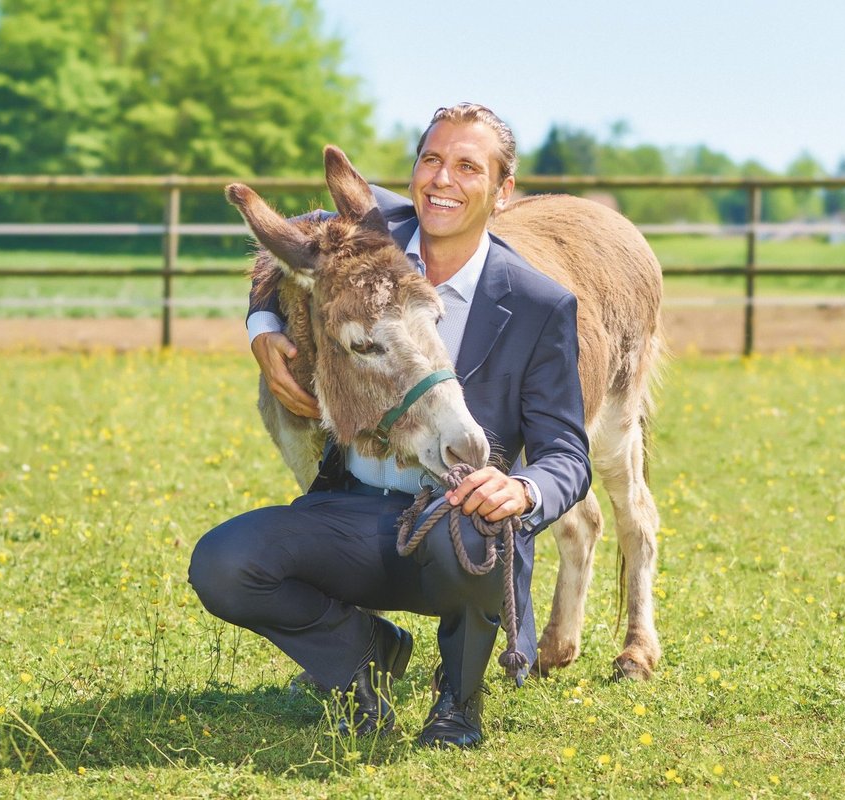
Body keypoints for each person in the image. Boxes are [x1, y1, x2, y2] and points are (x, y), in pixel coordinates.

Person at [189, 103, 590, 748]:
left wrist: (525, 490)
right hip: (353, 510)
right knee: (224, 563)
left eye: (468, 166)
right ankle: (364, 654)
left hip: (457, 529)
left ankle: (458, 705)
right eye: (431, 160)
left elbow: (567, 450)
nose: (443, 180)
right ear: (412, 174)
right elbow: (295, 244)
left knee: (476, 521)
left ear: (503, 191)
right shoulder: (379, 230)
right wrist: (261, 327)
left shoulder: (540, 305)